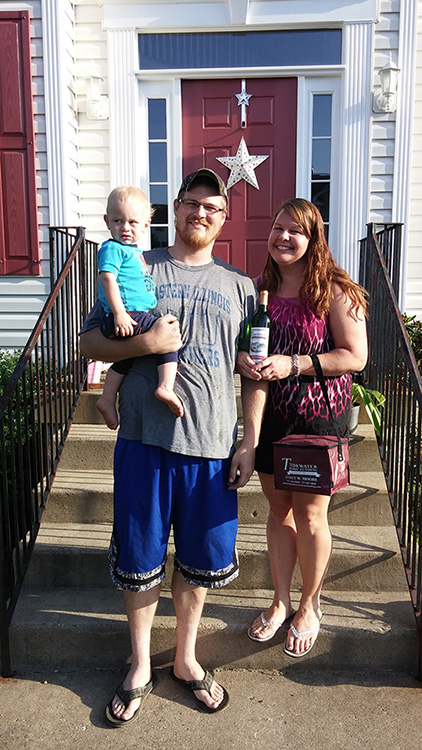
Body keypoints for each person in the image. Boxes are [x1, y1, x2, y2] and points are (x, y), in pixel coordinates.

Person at [80, 168, 266, 723]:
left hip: (211, 446)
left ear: (223, 218)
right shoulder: (135, 261)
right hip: (145, 440)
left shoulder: (239, 285)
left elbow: (252, 372)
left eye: (212, 206)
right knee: (140, 557)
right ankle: (141, 665)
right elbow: (90, 341)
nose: (200, 213)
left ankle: (185, 660)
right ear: (175, 208)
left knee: (198, 560)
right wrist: (146, 342)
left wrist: (250, 441)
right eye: (191, 202)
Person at [236, 198, 368, 658]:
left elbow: (355, 356)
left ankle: (310, 604)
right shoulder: (258, 292)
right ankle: (280, 601)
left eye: (296, 230)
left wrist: (293, 364)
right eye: (278, 228)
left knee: (311, 515)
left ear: (313, 239)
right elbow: (251, 366)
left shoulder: (335, 290)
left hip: (317, 420)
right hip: (272, 418)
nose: (284, 237)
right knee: (279, 512)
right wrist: (249, 437)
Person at [96, 186, 183, 430]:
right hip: (126, 315)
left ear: (146, 225)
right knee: (168, 334)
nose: (125, 227)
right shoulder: (112, 249)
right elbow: (107, 279)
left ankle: (106, 398)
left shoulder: (133, 252)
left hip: (131, 315)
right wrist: (119, 313)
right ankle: (165, 387)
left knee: (128, 358)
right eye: (118, 221)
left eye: (132, 222)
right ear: (107, 221)